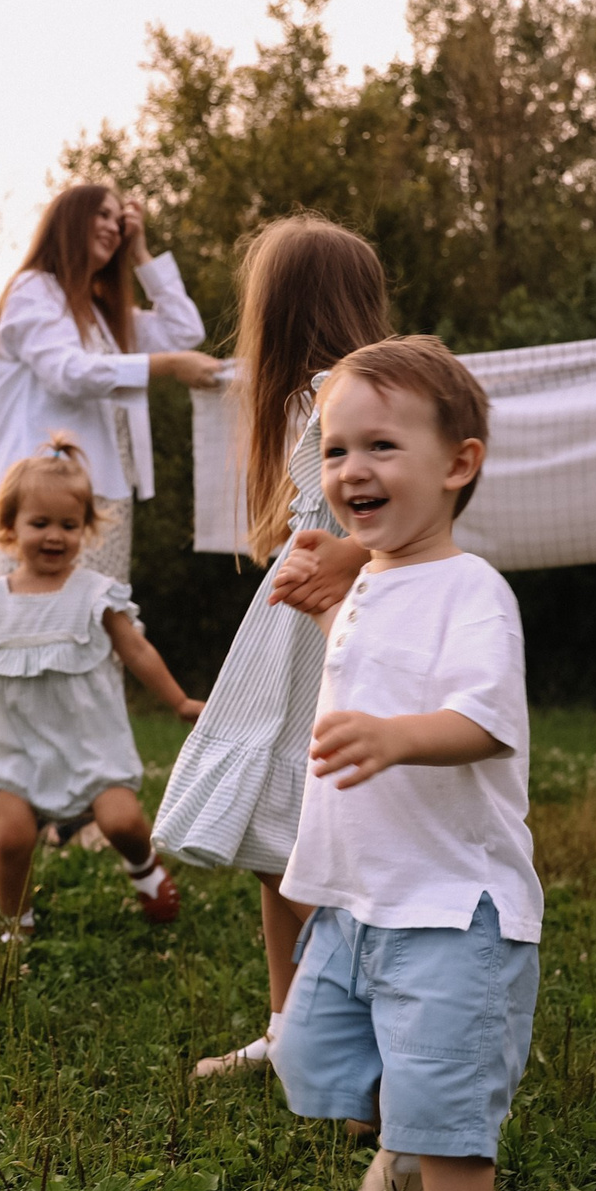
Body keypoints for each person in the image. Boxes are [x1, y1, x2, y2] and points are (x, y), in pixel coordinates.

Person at [268, 336, 542, 1191]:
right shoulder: (371, 579)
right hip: (354, 899)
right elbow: (354, 574)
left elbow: (482, 718)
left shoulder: (472, 590)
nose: (352, 472)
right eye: (336, 450)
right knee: (308, 1056)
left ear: (457, 464)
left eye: (382, 445)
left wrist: (395, 734)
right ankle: (401, 1131)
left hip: (451, 904)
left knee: (450, 1110)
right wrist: (335, 573)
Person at [152, 215, 389, 1079]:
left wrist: (345, 560)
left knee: (326, 835)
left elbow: (405, 525)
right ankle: (291, 1022)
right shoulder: (314, 400)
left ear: (281, 312)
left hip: (336, 634)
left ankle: (345, 1028)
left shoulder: (342, 396)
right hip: (291, 634)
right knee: (279, 835)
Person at [0, 438, 205, 938]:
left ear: (86, 529)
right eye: (40, 524)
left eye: (69, 525)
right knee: (12, 839)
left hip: (92, 742)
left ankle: (144, 868)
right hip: (19, 747)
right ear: (10, 528)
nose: (54, 536)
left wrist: (180, 700)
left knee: (122, 823)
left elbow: (137, 652)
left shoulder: (95, 595)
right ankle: (16, 923)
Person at [0, 185, 221, 583]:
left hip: (103, 497)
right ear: (70, 221)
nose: (115, 227)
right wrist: (170, 366)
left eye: (119, 219)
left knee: (102, 626)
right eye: (103, 215)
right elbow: (70, 373)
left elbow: (184, 330)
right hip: (39, 497)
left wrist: (141, 254)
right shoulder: (32, 290)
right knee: (39, 625)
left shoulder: (99, 313)